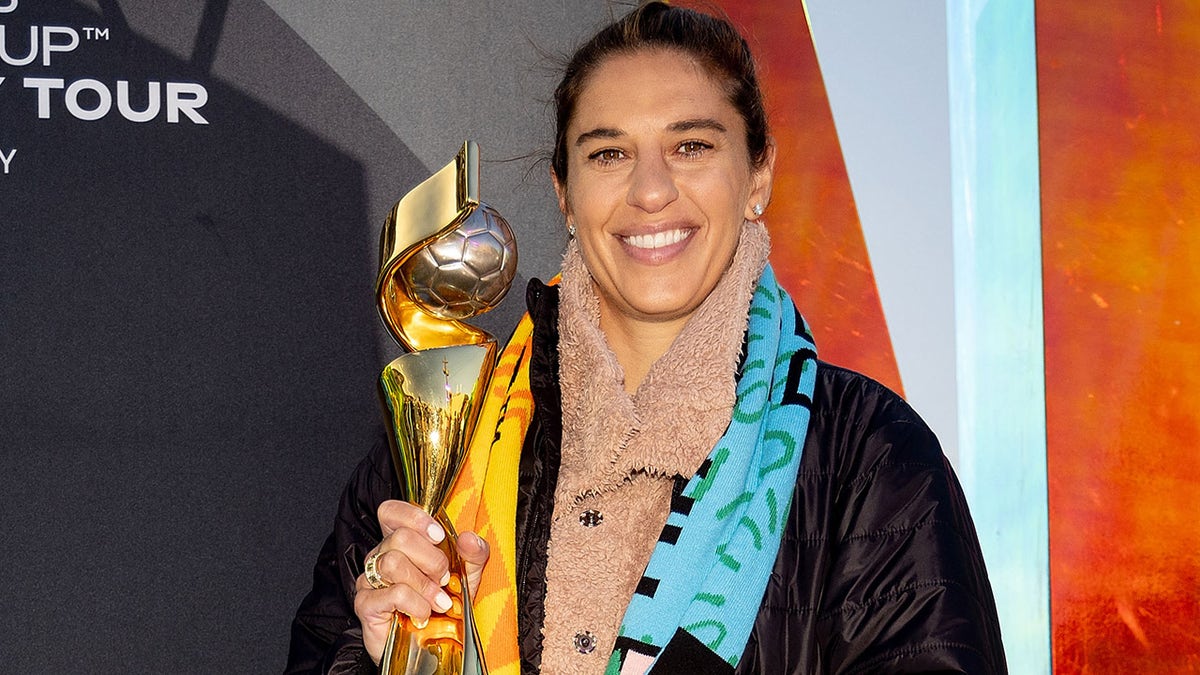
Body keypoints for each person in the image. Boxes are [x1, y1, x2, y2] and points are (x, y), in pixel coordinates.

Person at [286, 3, 1007, 674]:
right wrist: (383, 653)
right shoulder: (436, 454)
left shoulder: (871, 458)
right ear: (565, 194)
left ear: (758, 175)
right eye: (608, 154)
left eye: (691, 145)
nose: (651, 189)